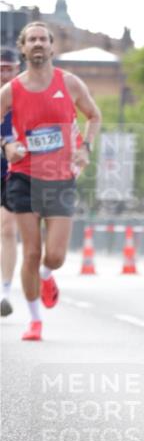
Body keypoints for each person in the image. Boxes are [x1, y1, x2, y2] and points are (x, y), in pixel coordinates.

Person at [0, 22, 101, 341]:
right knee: (31, 251)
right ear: (24, 48)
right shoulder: (11, 90)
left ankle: (47, 276)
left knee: (54, 256)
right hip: (24, 177)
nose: (38, 44)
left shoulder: (69, 83)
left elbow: (94, 115)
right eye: (32, 40)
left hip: (59, 178)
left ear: (52, 47)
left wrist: (85, 148)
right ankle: (35, 320)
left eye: (43, 39)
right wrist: (6, 145)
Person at [0, 47, 21, 317]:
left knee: (6, 228)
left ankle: (5, 291)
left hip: (12, 170)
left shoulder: (24, 96)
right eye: (0, 68)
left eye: (9, 68)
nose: (4, 74)